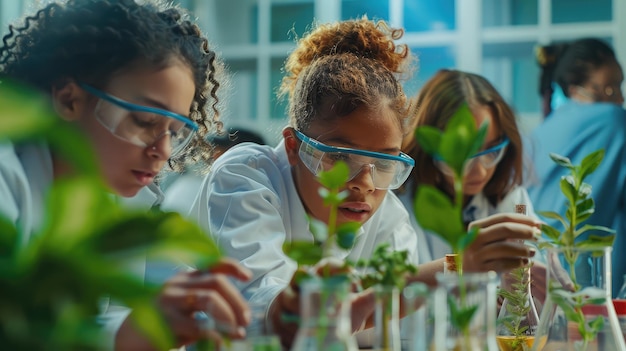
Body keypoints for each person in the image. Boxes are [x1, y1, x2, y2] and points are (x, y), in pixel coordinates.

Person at [188, 18, 539, 349]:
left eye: (385, 163)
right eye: (341, 157)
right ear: (294, 146)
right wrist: (456, 265)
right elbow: (265, 319)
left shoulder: (390, 218)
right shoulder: (246, 175)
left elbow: (391, 330)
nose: (365, 184)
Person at [0, 1, 251, 350]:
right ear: (70, 99)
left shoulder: (118, 201)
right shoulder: (6, 179)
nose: (162, 151)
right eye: (145, 122)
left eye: (176, 131)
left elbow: (115, 316)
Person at [528, 37, 626, 297]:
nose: (620, 99)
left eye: (619, 87)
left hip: (534, 277)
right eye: (609, 89)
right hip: (585, 280)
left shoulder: (539, 131)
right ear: (575, 88)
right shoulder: (615, 122)